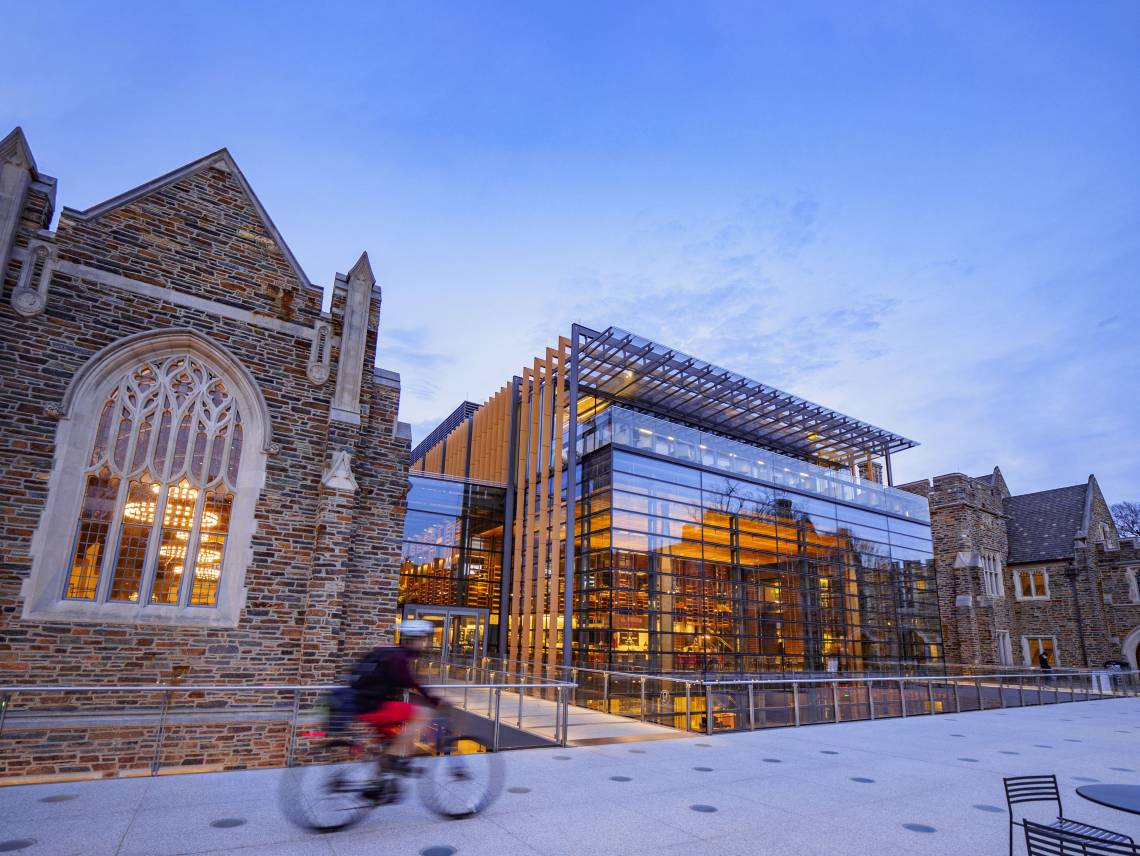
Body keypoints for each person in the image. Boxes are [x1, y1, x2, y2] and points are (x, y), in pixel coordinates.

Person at [351, 619, 446, 775]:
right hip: (375, 706)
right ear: (416, 639)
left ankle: (378, 786)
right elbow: (412, 682)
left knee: (388, 742)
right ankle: (395, 760)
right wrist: (434, 700)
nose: (424, 644)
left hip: (365, 703)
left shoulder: (393, 653)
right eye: (423, 640)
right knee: (423, 715)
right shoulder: (399, 657)